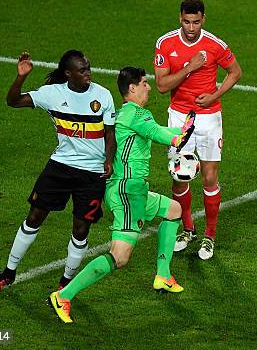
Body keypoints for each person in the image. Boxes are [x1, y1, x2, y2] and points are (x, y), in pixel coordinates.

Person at [49, 66, 195, 324]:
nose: (149, 87)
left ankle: (163, 275)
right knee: (120, 256)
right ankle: (64, 295)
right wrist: (180, 136)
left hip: (132, 189)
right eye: (144, 83)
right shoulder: (137, 113)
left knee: (173, 210)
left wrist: (183, 129)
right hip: (128, 192)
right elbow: (161, 135)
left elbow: (159, 131)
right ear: (132, 88)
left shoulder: (127, 114)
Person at [0, 50, 116, 295]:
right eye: (83, 70)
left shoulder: (103, 95)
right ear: (68, 74)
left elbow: (110, 134)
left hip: (91, 174)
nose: (89, 73)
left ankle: (66, 284)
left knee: (81, 229)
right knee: (34, 217)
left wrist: (109, 160)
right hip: (60, 167)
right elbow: (12, 101)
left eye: (89, 67)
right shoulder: (52, 94)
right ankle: (8, 273)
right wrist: (21, 77)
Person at [154, 0, 242, 260]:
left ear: (203, 20)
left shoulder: (216, 45)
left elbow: (235, 72)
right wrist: (189, 67)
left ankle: (210, 235)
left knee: (209, 177)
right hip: (179, 116)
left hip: (208, 118)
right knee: (180, 175)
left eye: (195, 22)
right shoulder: (165, 43)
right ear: (179, 18)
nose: (190, 27)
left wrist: (215, 95)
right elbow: (161, 85)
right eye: (185, 21)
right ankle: (188, 229)